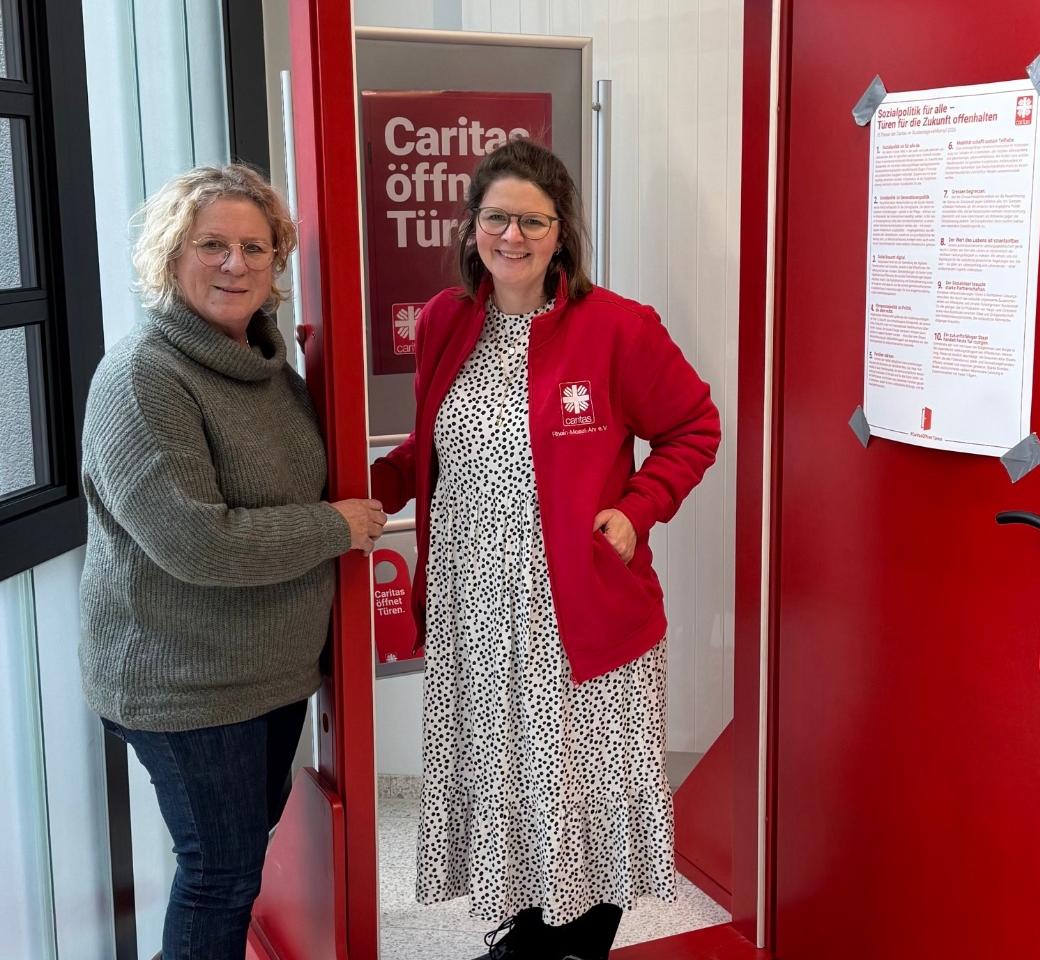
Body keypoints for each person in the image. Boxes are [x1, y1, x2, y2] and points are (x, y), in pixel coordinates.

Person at [371, 138, 720, 960]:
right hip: (475, 603)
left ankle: (579, 939)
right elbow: (431, 450)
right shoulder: (444, 321)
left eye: (533, 220)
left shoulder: (618, 328)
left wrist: (640, 509)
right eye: (497, 217)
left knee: (587, 783)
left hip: (579, 605)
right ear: (471, 229)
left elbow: (693, 428)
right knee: (516, 780)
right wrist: (366, 496)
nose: (513, 236)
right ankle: (528, 924)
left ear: (562, 233)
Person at [78, 163, 386, 960]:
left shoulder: (268, 371)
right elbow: (195, 541)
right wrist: (334, 528)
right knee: (219, 877)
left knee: (235, 861)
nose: (235, 263)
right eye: (212, 244)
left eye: (256, 246)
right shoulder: (144, 377)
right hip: (186, 687)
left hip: (270, 675)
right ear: (170, 256)